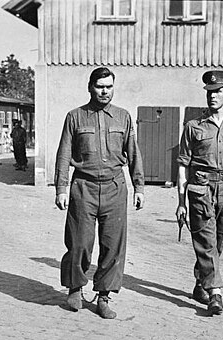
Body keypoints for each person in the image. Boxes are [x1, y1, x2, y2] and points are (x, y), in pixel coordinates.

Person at [54, 67, 145, 319]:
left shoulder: (123, 117)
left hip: (115, 187)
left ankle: (104, 296)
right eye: (99, 86)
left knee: (113, 245)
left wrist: (139, 186)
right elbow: (63, 154)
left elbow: (134, 153)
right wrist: (61, 188)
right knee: (79, 241)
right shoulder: (75, 117)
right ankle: (75, 289)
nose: (104, 91)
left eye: (109, 86)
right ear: (90, 87)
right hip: (83, 186)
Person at [175, 70, 223, 316]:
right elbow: (183, 165)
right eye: (209, 92)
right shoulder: (193, 127)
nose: (212, 96)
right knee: (205, 241)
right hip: (201, 188)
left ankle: (200, 282)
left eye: (217, 92)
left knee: (218, 242)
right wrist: (181, 202)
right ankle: (215, 293)